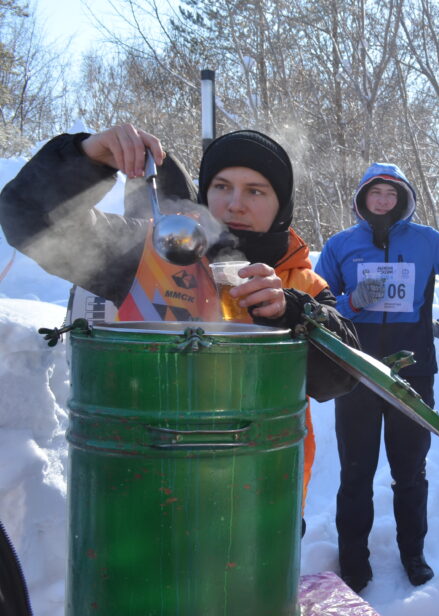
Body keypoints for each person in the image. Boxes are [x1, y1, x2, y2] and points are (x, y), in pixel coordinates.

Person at [0, 124, 360, 512]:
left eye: (255, 191)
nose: (234, 204)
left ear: (281, 205)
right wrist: (86, 158)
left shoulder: (302, 283)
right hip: (148, 492)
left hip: (263, 504)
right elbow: (28, 218)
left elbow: (341, 376)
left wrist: (290, 311)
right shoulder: (152, 253)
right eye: (221, 186)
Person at [315, 162, 439, 593]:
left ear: (403, 200)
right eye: (375, 193)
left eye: (391, 194)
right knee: (356, 471)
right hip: (355, 369)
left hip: (413, 368)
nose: (383, 201)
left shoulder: (426, 241)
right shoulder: (340, 245)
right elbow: (319, 307)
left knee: (410, 469)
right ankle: (354, 562)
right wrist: (353, 302)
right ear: (362, 198)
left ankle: (413, 554)